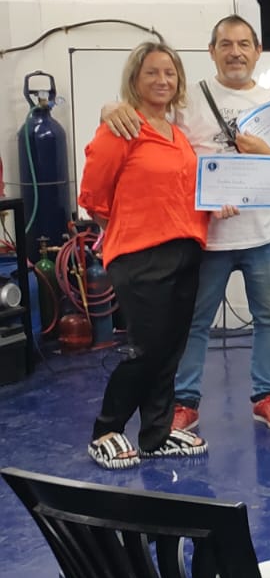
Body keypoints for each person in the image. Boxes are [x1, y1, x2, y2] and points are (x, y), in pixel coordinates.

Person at [99, 16, 270, 434]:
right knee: (194, 322)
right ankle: (185, 402)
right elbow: (145, 122)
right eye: (226, 44)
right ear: (211, 51)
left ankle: (267, 397)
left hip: (265, 232)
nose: (235, 52)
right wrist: (111, 108)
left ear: (258, 51)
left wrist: (264, 153)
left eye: (244, 44)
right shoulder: (185, 100)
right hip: (205, 234)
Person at [79, 43, 219, 467]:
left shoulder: (177, 135)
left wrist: (217, 202)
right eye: (152, 73)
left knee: (170, 348)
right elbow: (93, 194)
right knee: (147, 348)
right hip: (140, 256)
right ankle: (106, 428)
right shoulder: (121, 127)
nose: (162, 81)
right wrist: (129, 225)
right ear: (135, 80)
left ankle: (156, 434)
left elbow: (185, 190)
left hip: (186, 249)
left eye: (170, 74)